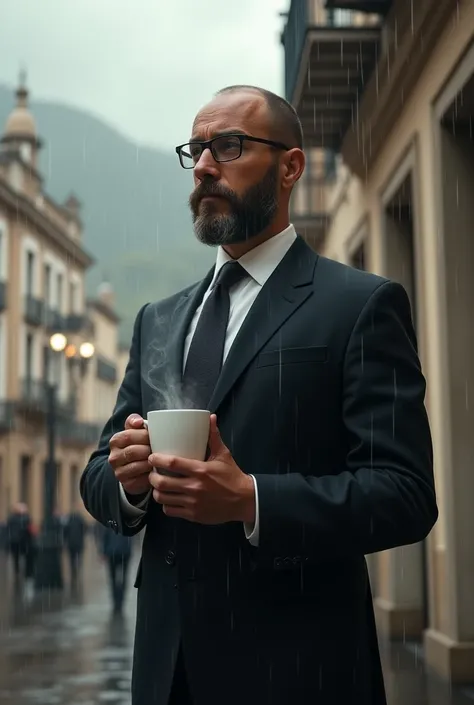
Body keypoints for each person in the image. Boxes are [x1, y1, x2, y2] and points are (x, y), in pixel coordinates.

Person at [80, 85, 438, 705]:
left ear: (290, 167)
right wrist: (130, 482)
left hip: (301, 668)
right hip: (167, 672)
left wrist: (251, 499)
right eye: (196, 150)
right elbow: (98, 474)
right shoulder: (157, 321)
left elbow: (404, 494)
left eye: (229, 146)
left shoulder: (358, 305)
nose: (204, 166)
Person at [100, 525, 132, 615]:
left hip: (115, 552)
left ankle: (117, 600)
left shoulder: (111, 519)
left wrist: (104, 551)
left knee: (115, 578)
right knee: (121, 578)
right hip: (122, 552)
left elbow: (105, 536)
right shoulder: (126, 517)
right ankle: (119, 600)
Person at [6, 502, 35, 581]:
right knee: (25, 556)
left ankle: (17, 571)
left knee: (16, 557)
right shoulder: (26, 518)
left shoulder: (11, 518)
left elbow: (8, 529)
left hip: (14, 540)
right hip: (23, 540)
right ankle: (24, 571)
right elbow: (29, 528)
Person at [63, 506, 86, 584]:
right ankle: (77, 565)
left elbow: (65, 531)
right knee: (78, 555)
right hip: (78, 542)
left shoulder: (69, 520)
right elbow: (84, 530)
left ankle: (73, 567)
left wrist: (65, 540)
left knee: (72, 557)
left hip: (71, 542)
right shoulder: (80, 519)